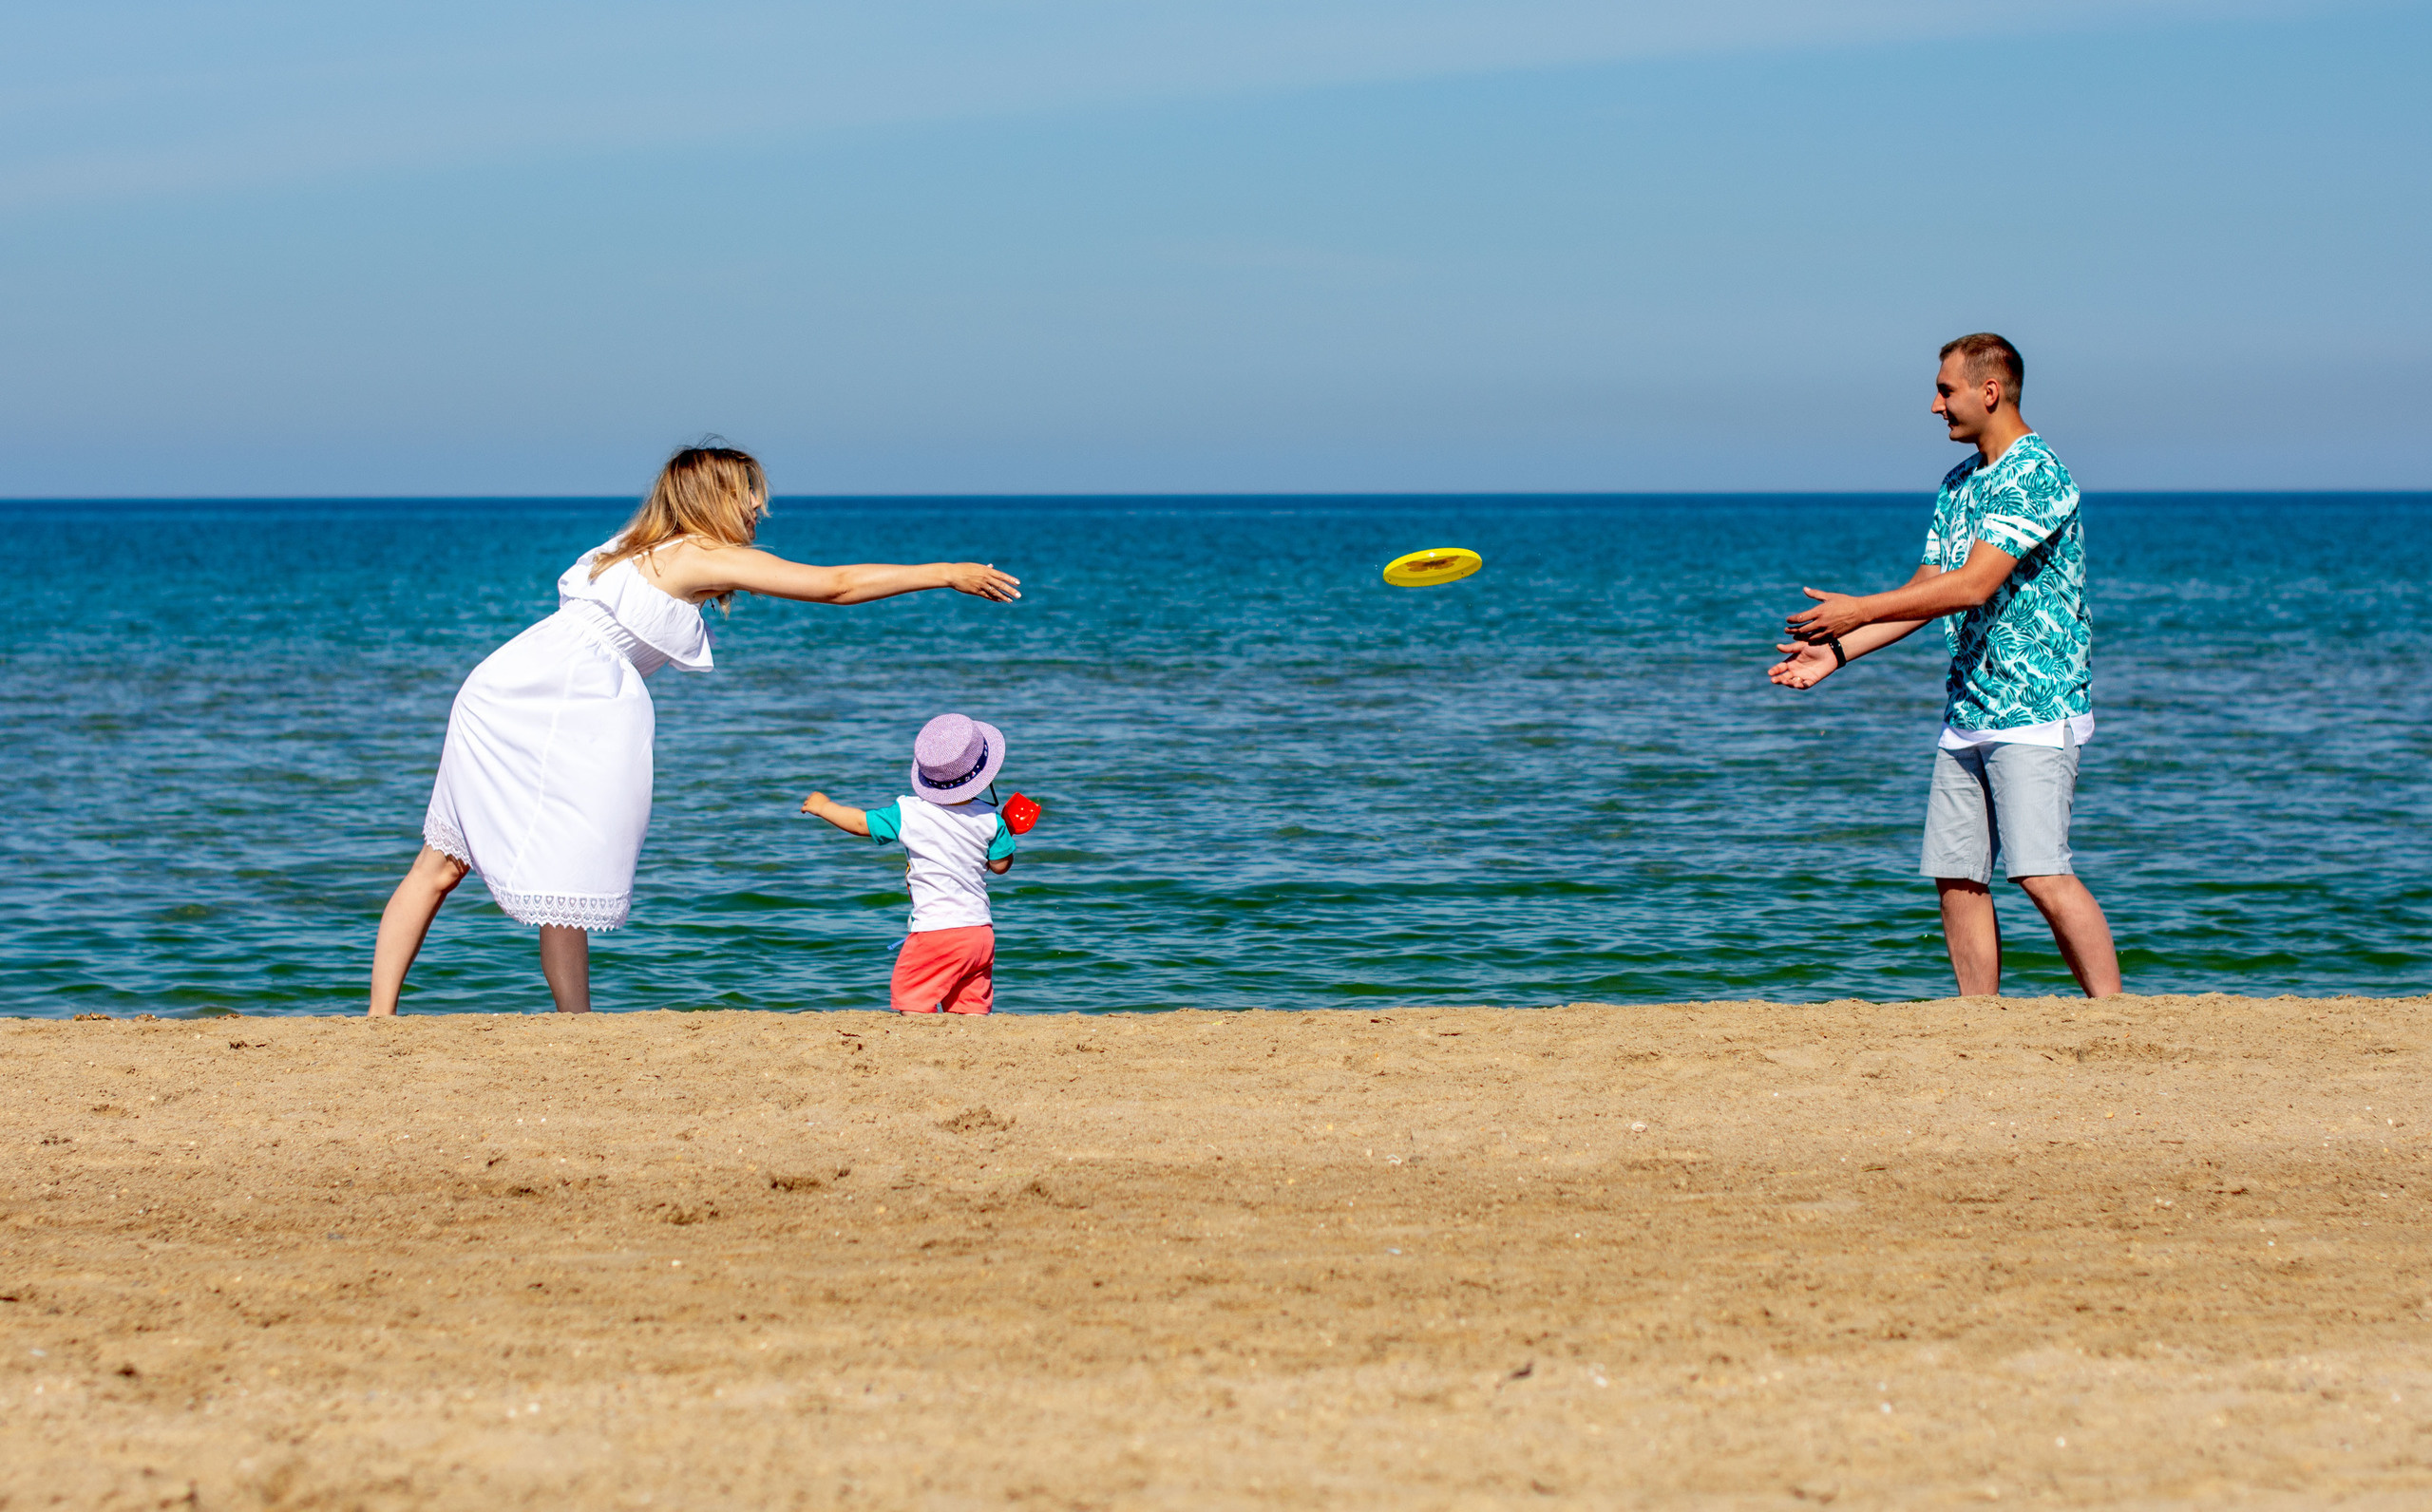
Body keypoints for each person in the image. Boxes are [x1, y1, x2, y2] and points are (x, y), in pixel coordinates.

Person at [368, 446, 1022, 1015]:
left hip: (518, 683)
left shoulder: (637, 546)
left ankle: (522, 1022)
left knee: (471, 866)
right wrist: (943, 573)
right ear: (714, 500)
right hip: (547, 697)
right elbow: (834, 586)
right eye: (749, 501)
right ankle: (414, 1019)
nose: (757, 514)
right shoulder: (696, 554)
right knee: (475, 860)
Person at [1768, 333, 2120, 998]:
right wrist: (1838, 650)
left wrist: (1858, 608)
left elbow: (1973, 586)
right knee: (1957, 873)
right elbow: (1928, 590)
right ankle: (1978, 1024)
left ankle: (2118, 1019)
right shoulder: (1959, 485)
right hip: (1968, 711)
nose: (1935, 406)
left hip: (2038, 713)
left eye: (1945, 389)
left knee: (2040, 872)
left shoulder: (2036, 473)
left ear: (1989, 392)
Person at [798, 713, 1018, 1014]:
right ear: (984, 775)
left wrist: (825, 807)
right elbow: (1000, 866)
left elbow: (862, 823)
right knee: (969, 1009)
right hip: (979, 933)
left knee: (913, 998)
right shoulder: (991, 821)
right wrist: (1006, 830)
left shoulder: (909, 812)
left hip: (936, 931)